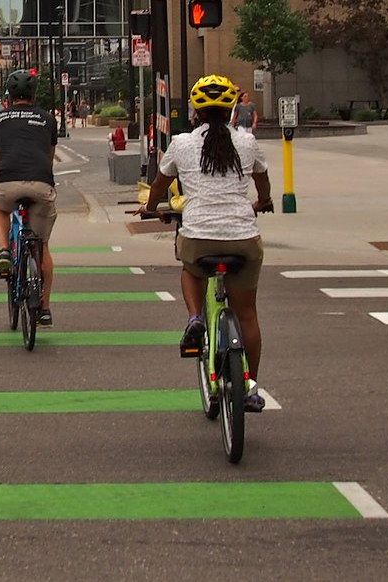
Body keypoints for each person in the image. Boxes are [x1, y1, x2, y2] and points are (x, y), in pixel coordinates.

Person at [132, 75, 273, 411]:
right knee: (248, 315)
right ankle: (250, 386)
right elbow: (263, 183)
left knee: (191, 270)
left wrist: (151, 209)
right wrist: (262, 202)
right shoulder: (247, 142)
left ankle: (195, 318)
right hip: (243, 237)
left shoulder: (181, 144)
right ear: (231, 110)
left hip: (198, 236)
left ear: (194, 110)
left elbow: (160, 183)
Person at [0, 69, 59, 328]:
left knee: (0, 211)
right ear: (34, 94)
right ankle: (44, 308)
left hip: (8, 183)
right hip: (41, 184)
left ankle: (3, 251)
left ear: (10, 96)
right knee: (42, 245)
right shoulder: (48, 120)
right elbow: (48, 157)